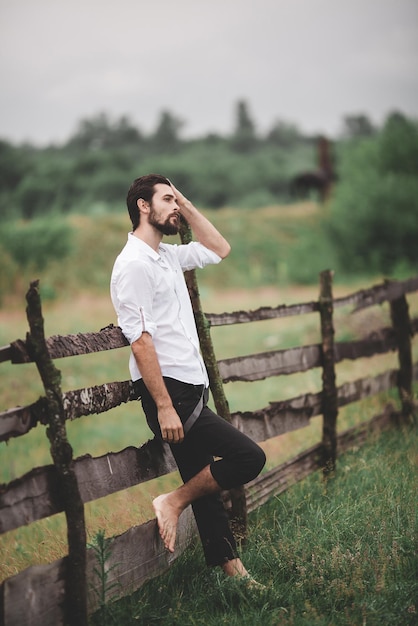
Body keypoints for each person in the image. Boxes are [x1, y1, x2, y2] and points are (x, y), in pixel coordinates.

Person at [110, 174, 266, 581]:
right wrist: (163, 406)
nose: (175, 206)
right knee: (249, 457)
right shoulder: (133, 265)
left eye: (175, 199)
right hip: (171, 393)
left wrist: (184, 200)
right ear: (143, 206)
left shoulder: (165, 256)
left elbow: (220, 248)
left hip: (188, 387)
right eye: (166, 199)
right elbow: (141, 343)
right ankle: (173, 502)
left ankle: (236, 576)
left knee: (205, 484)